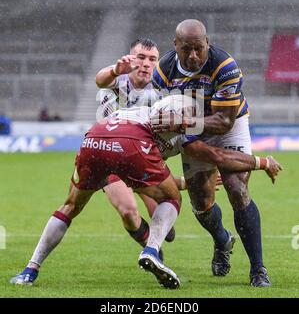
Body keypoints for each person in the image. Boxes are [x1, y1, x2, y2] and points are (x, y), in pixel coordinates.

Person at [10, 95, 282, 289]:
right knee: (172, 198)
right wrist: (262, 162)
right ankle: (151, 250)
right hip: (132, 145)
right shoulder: (182, 128)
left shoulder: (136, 110)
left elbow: (123, 162)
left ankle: (29, 270)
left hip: (94, 139)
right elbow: (218, 156)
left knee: (70, 206)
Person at [151, 19, 273, 287]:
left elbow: (224, 121)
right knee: (201, 203)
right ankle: (222, 240)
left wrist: (183, 123)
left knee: (236, 187)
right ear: (176, 46)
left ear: (207, 43)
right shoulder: (162, 71)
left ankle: (258, 270)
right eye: (187, 50)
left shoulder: (224, 66)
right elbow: (159, 114)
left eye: (199, 48)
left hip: (229, 124)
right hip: (194, 130)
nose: (193, 56)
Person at [95, 38, 176, 258]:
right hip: (111, 161)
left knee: (168, 229)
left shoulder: (162, 89)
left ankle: (155, 241)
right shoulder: (117, 80)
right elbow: (100, 80)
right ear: (131, 58)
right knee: (129, 213)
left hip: (143, 161)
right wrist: (114, 70)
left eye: (152, 59)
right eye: (140, 57)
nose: (146, 63)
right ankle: (152, 251)